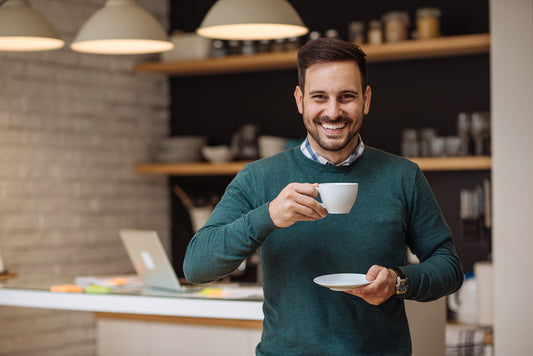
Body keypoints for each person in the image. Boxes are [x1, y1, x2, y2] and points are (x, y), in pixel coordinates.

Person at [183, 38, 463, 356]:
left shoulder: (402, 176)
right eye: (320, 97)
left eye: (347, 97)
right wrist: (269, 216)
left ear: (366, 99)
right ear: (300, 99)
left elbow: (449, 268)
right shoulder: (258, 177)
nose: (333, 111)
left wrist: (398, 281)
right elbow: (196, 266)